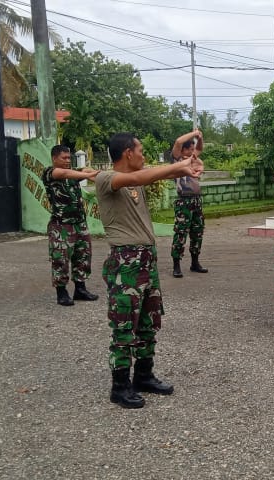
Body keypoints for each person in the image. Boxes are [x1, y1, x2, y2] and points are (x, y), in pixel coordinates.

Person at [95, 132, 203, 409]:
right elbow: (138, 178)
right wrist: (179, 166)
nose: (144, 155)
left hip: (146, 259)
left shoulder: (138, 177)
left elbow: (152, 175)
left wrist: (186, 165)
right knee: (123, 325)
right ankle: (119, 386)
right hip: (125, 261)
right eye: (140, 150)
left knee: (148, 321)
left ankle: (143, 375)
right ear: (127, 153)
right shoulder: (107, 179)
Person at [41, 145, 100, 306]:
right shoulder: (50, 173)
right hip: (61, 226)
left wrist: (95, 174)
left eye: (69, 158)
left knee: (83, 256)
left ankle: (80, 289)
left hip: (79, 223)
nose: (68, 161)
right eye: (64, 158)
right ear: (54, 158)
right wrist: (86, 174)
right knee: (60, 259)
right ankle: (62, 292)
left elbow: (84, 171)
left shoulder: (73, 174)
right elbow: (64, 173)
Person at [169, 129, 209, 278]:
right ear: (184, 150)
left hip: (196, 201)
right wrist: (195, 133)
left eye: (193, 149)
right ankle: (176, 265)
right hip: (184, 201)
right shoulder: (177, 161)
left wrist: (200, 138)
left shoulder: (192, 159)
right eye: (190, 149)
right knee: (180, 233)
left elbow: (199, 148)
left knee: (197, 232)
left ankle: (195, 262)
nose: (194, 152)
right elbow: (178, 142)